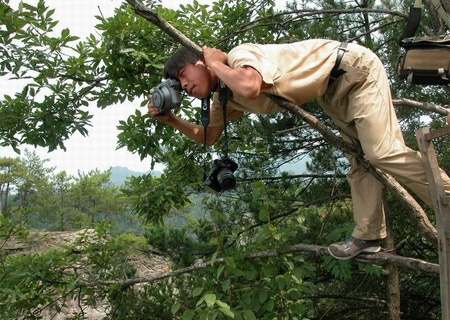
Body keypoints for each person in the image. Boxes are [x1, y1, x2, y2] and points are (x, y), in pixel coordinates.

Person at [148, 39, 450, 260]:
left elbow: (251, 85)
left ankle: (447, 195)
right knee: (360, 161)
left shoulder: (240, 57)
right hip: (331, 93)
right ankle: (369, 235)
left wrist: (214, 60)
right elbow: (208, 137)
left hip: (353, 69)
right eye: (177, 84)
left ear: (200, 61)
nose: (183, 86)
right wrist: (172, 119)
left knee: (380, 152)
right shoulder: (224, 96)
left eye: (183, 75)